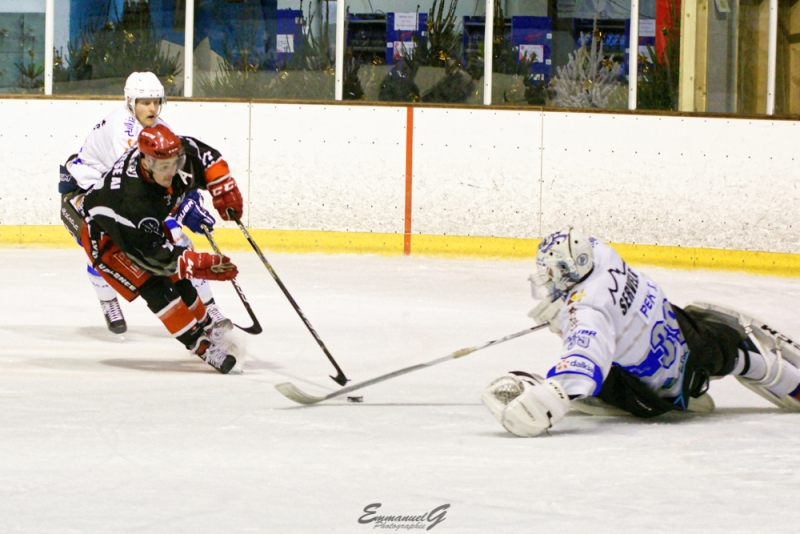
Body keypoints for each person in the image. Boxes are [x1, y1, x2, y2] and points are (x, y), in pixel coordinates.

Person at [481, 228, 800, 437]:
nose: (550, 279)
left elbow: (584, 361)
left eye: (555, 273)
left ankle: (570, 390)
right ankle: (775, 374)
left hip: (653, 397)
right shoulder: (601, 255)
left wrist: (547, 399)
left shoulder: (587, 311)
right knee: (728, 347)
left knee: (595, 374)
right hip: (688, 344)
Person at [60, 71, 227, 335]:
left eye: (156, 101)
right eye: (145, 102)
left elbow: (174, 169)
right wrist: (181, 208)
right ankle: (107, 301)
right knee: (105, 249)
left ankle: (209, 308)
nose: (152, 108)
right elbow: (138, 186)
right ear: (130, 102)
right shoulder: (123, 131)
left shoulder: (161, 128)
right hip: (86, 191)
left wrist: (191, 195)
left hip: (117, 193)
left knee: (178, 241)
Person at [72, 124, 245, 373]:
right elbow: (151, 255)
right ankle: (200, 345)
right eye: (164, 167)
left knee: (179, 280)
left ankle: (207, 325)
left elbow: (202, 155)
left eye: (175, 163)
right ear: (146, 162)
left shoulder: (168, 157)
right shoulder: (130, 199)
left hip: (142, 227)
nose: (172, 171)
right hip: (109, 238)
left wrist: (222, 184)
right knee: (156, 287)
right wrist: (197, 264)